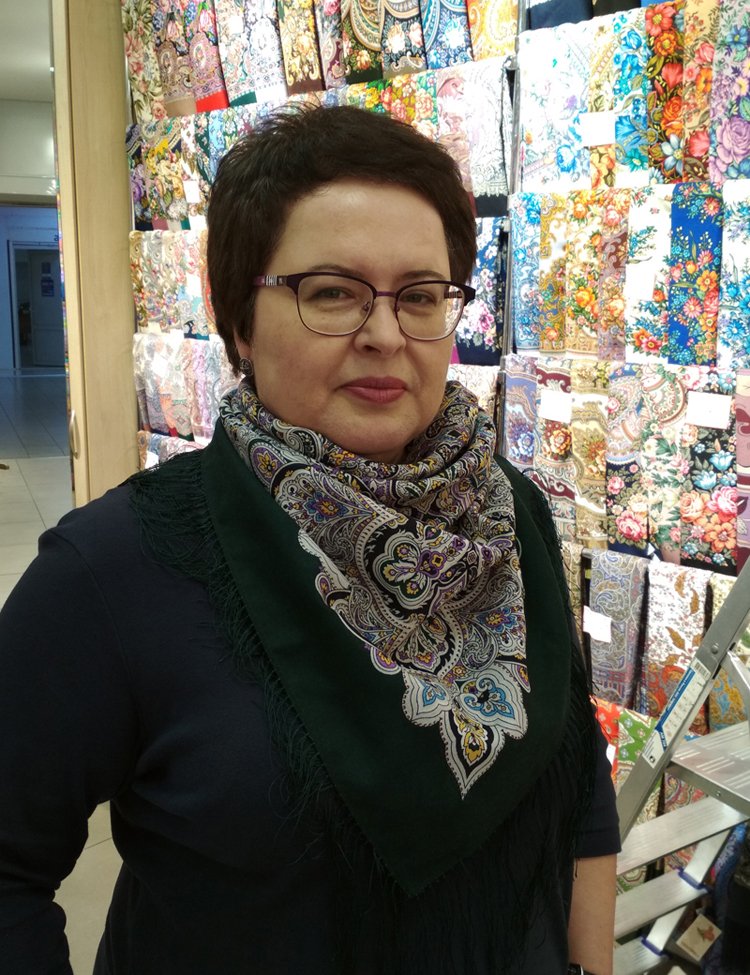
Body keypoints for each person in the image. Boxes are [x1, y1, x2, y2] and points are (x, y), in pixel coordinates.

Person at [0, 105, 619, 975]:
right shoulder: (116, 568)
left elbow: (576, 768)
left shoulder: (507, 516)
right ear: (240, 323)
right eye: (332, 291)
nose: (385, 333)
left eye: (420, 295)